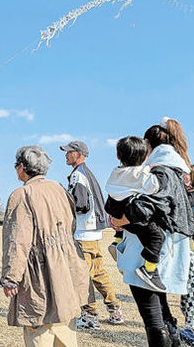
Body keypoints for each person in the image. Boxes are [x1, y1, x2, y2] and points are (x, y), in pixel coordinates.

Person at [111, 119, 194, 347]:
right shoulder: (172, 168)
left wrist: (121, 220)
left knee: (152, 314)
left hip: (147, 249)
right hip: (162, 246)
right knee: (161, 309)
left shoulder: (160, 170)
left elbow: (150, 206)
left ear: (148, 144)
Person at [1, 145, 90, 347]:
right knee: (64, 321)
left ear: (22, 167)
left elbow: (17, 241)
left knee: (39, 325)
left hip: (39, 270)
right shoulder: (59, 188)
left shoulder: (22, 195)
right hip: (66, 265)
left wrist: (11, 278)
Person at [60, 141, 124, 329]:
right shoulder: (87, 172)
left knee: (82, 275)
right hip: (93, 232)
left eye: (69, 152)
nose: (66, 155)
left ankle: (90, 316)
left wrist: (64, 202)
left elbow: (80, 205)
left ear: (79, 154)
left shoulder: (78, 175)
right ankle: (114, 309)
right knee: (98, 272)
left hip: (82, 231)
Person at [105, 136, 167, 292]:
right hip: (131, 215)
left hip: (115, 208)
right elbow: (154, 186)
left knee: (123, 224)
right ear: (145, 156)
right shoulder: (141, 174)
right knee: (157, 236)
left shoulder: (115, 172)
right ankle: (149, 269)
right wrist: (158, 169)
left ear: (118, 155)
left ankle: (117, 241)